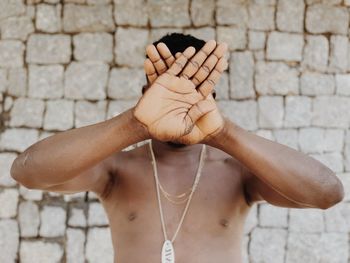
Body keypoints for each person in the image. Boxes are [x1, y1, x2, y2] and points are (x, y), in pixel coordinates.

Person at [10, 33, 344, 263]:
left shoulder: (236, 171)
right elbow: (27, 171)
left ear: (212, 97)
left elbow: (327, 193)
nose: (179, 104)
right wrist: (135, 124)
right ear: (145, 94)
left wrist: (223, 132)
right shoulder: (118, 170)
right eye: (166, 93)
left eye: (195, 91)